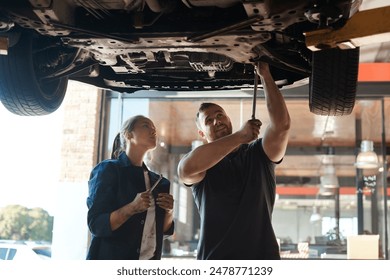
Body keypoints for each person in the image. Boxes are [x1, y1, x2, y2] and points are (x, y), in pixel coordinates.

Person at [177, 62, 290, 260]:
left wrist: (265, 74)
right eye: (209, 120)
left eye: (220, 115)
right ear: (201, 133)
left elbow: (282, 126)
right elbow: (186, 169)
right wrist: (239, 136)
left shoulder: (258, 154)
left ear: (229, 119)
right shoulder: (203, 163)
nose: (217, 120)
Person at [86, 115, 174, 260]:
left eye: (155, 129)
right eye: (146, 126)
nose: (153, 131)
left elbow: (162, 231)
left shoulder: (160, 183)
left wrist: (169, 211)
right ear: (128, 134)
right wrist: (132, 207)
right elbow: (96, 225)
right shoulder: (108, 170)